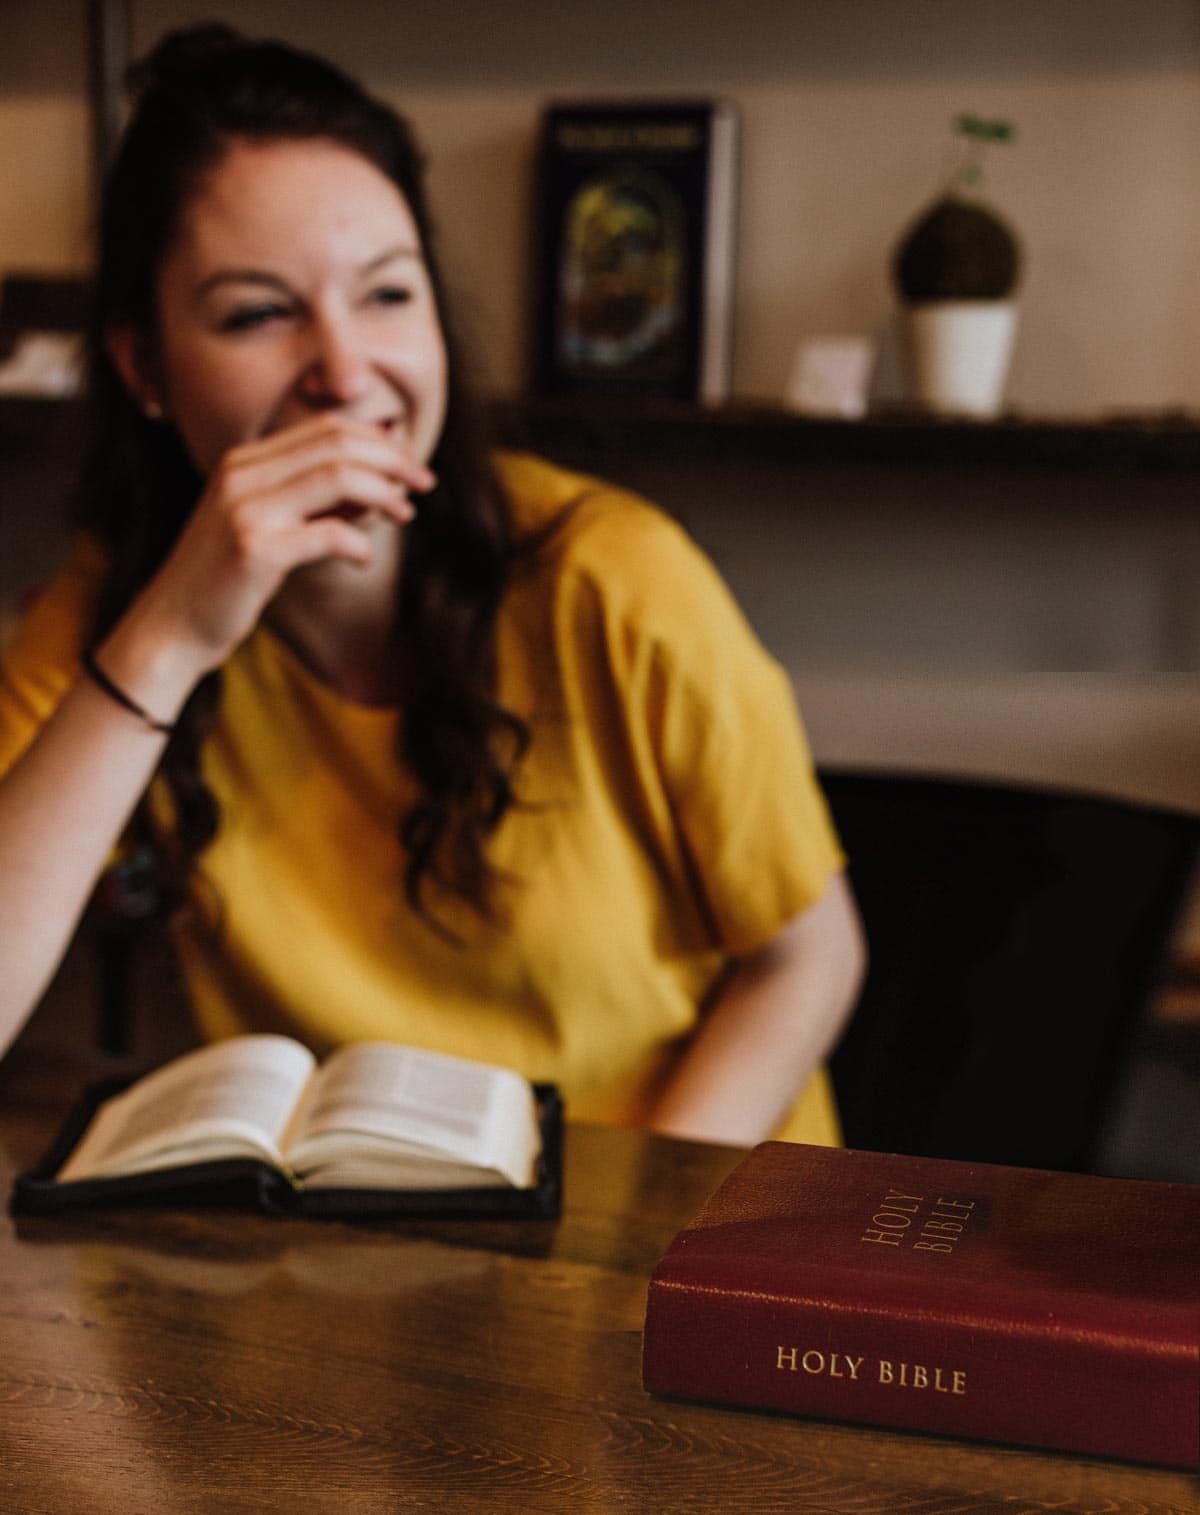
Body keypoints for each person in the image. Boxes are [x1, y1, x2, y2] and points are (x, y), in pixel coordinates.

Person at [0, 25, 864, 1145]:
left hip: (681, 1221)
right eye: (258, 314)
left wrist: (630, 1250)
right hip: (372, 1263)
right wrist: (170, 639)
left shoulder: (612, 574)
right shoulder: (119, 619)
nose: (348, 373)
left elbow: (811, 963)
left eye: (388, 295)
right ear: (145, 367)